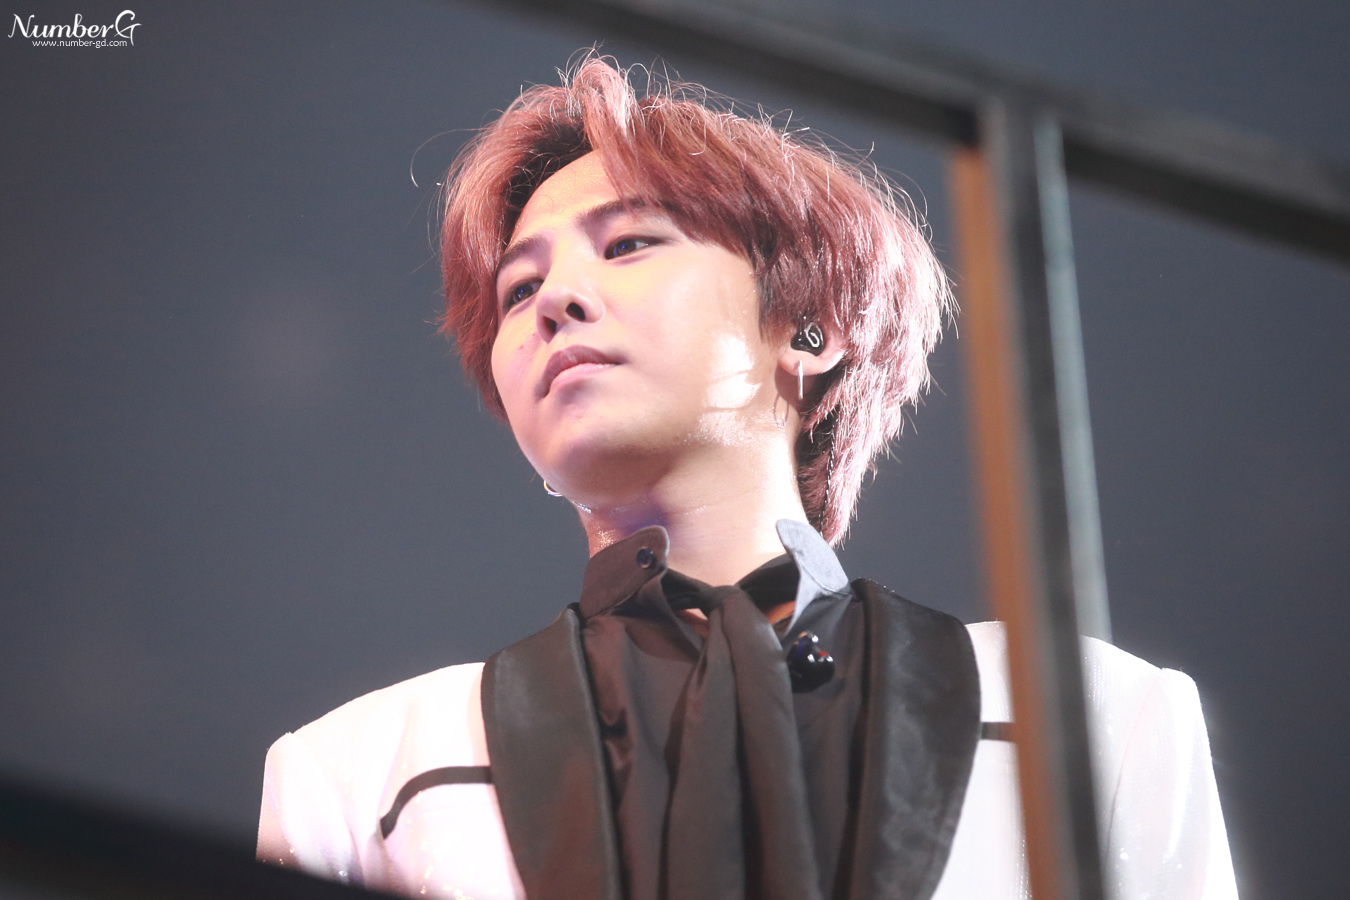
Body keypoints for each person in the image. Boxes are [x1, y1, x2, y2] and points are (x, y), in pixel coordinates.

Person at [256, 56, 1236, 900]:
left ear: (811, 330)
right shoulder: (362, 775)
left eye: (629, 243)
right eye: (519, 289)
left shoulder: (1091, 721)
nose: (555, 299)